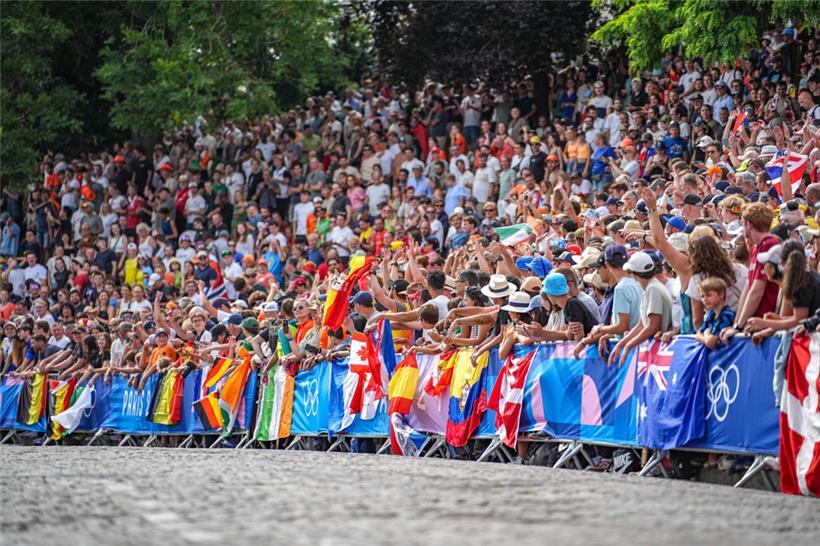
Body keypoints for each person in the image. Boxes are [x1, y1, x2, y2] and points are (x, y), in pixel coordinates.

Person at [695, 277, 736, 349]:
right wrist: (706, 337)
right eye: (702, 296)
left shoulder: (726, 315)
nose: (705, 299)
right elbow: (698, 335)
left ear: (721, 295)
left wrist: (706, 333)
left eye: (708, 295)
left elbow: (711, 343)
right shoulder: (712, 314)